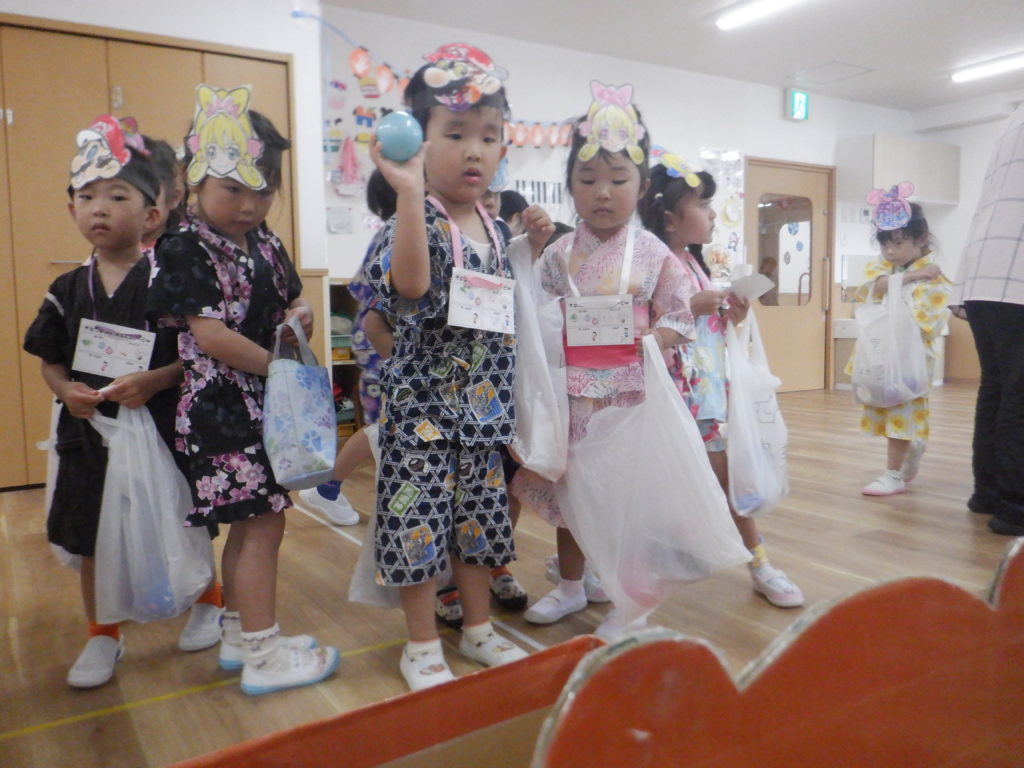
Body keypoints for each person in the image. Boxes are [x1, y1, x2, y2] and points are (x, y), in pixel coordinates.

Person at [365, 43, 551, 691]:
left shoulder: (496, 230)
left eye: (489, 137)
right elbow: (411, 286)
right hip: (422, 420)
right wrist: (408, 193)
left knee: (479, 531)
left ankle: (477, 629)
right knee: (417, 530)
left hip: (484, 418)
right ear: (419, 141)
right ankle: (421, 645)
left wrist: (536, 241)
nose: (474, 150)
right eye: (455, 134)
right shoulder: (415, 219)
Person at [147, 85, 339, 695]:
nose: (251, 204)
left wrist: (302, 314)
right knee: (262, 527)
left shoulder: (266, 243)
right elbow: (210, 337)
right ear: (196, 177)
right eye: (233, 189)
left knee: (254, 523)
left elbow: (293, 298)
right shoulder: (183, 246)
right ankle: (263, 653)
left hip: (263, 405)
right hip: (221, 410)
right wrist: (284, 370)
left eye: (264, 189)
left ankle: (239, 636)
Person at [511, 81, 695, 637]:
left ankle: (626, 600)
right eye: (588, 179)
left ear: (642, 187)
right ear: (570, 183)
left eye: (618, 179)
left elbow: (681, 316)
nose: (603, 193)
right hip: (572, 395)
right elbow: (540, 311)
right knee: (573, 497)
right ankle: (571, 586)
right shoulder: (560, 252)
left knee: (622, 503)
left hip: (629, 397)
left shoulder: (654, 253)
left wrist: (651, 340)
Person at [23, 115, 185, 687]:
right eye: (87, 196)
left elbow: (195, 354)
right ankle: (102, 634)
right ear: (71, 209)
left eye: (117, 196)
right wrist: (65, 390)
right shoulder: (66, 289)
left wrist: (157, 380)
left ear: (151, 215)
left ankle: (208, 597)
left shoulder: (170, 281)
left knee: (176, 519)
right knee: (90, 531)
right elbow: (49, 357)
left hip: (160, 426)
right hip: (87, 435)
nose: (99, 208)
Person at [639, 159, 804, 608]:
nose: (712, 214)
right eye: (704, 205)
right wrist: (693, 308)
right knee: (676, 485)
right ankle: (621, 569)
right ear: (670, 219)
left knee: (725, 480)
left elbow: (704, 330)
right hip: (675, 399)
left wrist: (733, 314)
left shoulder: (693, 263)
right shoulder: (652, 265)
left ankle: (759, 563)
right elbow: (645, 329)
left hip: (706, 397)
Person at [141, 132, 227, 651]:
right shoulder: (102, 261)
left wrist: (157, 379)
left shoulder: (185, 250)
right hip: (124, 402)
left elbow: (200, 342)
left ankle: (208, 598)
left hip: (176, 394)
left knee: (189, 503)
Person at [951, 102, 1024, 536]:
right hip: (1016, 277)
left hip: (984, 273)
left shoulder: (1012, 117)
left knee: (996, 389)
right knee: (1018, 395)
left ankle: (988, 494)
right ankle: (1016, 506)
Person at [847, 194, 950, 496]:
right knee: (885, 407)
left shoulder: (936, 278)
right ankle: (911, 446)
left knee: (903, 410)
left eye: (899, 243)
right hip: (881, 356)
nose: (890, 251)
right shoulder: (891, 268)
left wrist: (910, 282)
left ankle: (893, 474)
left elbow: (926, 322)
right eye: (884, 244)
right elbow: (874, 287)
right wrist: (912, 276)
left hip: (910, 360)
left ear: (922, 239)